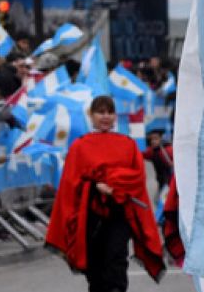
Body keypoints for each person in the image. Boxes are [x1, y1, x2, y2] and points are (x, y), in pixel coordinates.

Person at [45, 95, 165, 292]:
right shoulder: (80, 146)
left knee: (116, 261)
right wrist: (94, 186)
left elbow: (137, 177)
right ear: (91, 116)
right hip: (90, 216)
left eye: (110, 112)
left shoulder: (127, 144)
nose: (106, 117)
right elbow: (71, 182)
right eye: (101, 112)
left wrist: (117, 185)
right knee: (96, 267)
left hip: (119, 214)